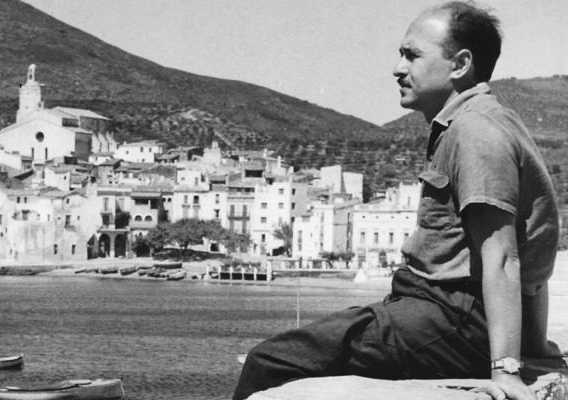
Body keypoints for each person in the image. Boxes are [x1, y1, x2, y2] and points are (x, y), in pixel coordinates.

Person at [232, 2, 563, 400]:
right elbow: (535, 247)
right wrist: (535, 344)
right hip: (447, 315)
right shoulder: (488, 120)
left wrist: (506, 368)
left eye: (412, 55)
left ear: (460, 64)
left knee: (270, 361)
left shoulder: (475, 131)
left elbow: (505, 257)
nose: (397, 68)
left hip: (453, 320)